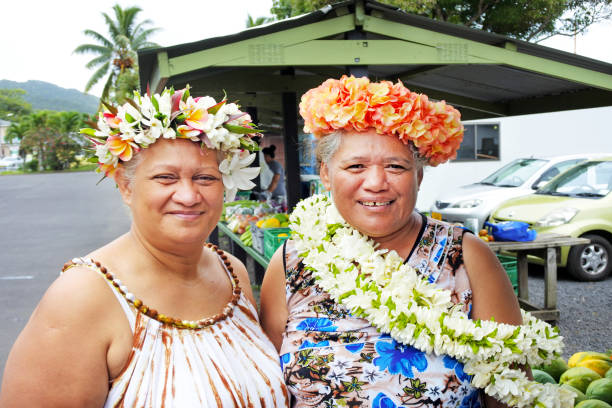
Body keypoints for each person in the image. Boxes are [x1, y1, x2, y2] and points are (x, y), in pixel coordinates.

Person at [260, 76, 570, 407]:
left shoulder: (467, 257)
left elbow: (508, 393)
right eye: (356, 166)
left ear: (418, 175)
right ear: (325, 173)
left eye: (396, 166)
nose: (376, 183)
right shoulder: (292, 260)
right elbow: (265, 386)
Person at [0, 87, 289, 407]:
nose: (189, 196)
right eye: (166, 177)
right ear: (126, 186)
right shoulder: (82, 296)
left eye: (205, 178)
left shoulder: (231, 272)